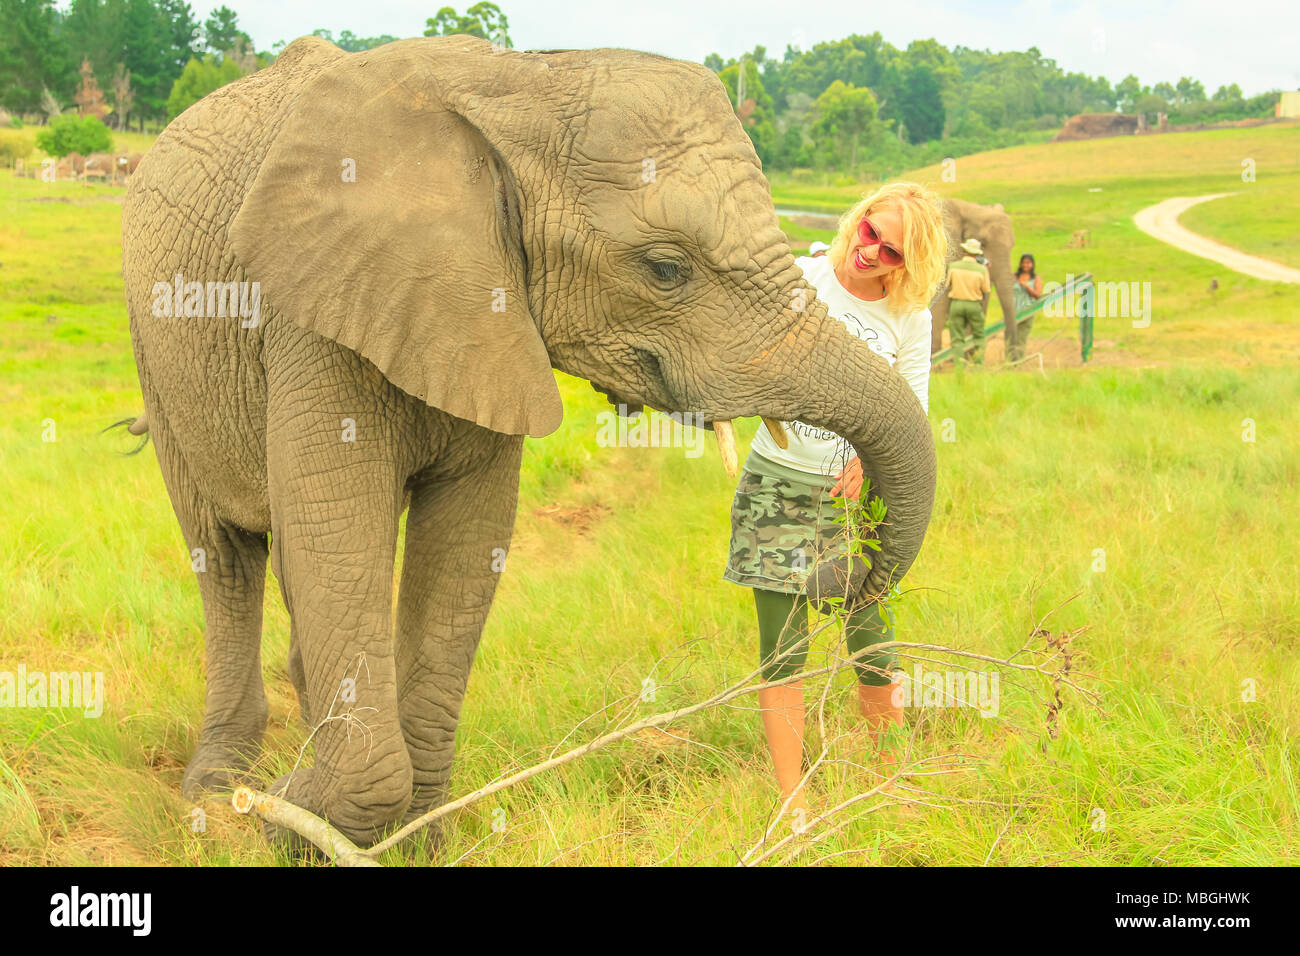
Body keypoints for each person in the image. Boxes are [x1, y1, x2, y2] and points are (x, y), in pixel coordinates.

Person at [723, 182, 948, 814]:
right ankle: (792, 803)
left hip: (855, 506)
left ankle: (889, 779)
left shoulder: (910, 319)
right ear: (860, 219)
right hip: (777, 486)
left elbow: (912, 414)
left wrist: (866, 461)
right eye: (871, 232)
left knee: (872, 639)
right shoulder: (797, 279)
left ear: (912, 265)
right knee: (783, 650)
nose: (871, 252)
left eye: (893, 252)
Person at [945, 237, 990, 365]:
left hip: (956, 304)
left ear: (965, 250)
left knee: (957, 338)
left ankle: (959, 365)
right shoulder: (982, 269)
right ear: (977, 254)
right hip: (974, 304)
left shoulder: (953, 266)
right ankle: (978, 364)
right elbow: (986, 289)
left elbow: (947, 285)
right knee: (979, 335)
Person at [1010, 253, 1043, 360]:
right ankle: (1009, 359)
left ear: (1032, 264)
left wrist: (1027, 287)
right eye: (1023, 262)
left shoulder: (1036, 278)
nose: (1025, 265)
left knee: (1021, 338)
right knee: (1011, 338)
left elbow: (1038, 295)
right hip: (1013, 312)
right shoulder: (1014, 277)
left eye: (1028, 263)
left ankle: (1018, 361)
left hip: (1027, 312)